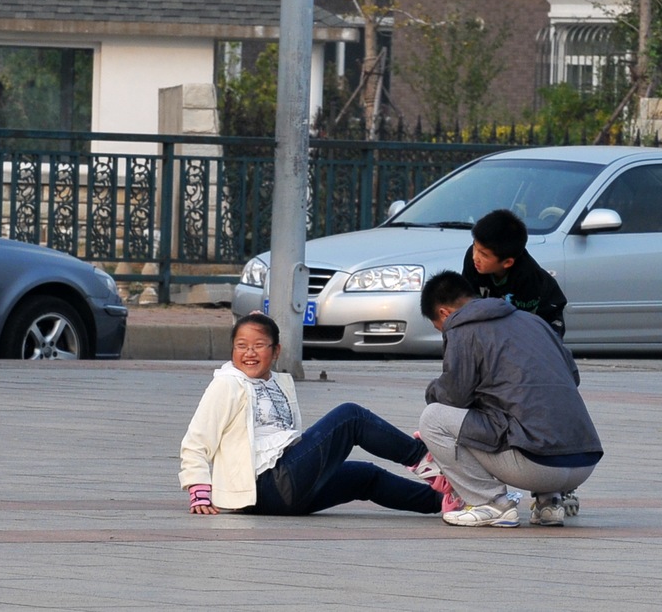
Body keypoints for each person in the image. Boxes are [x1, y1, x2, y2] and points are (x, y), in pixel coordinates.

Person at [178, 313, 456, 516]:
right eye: (241, 346)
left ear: (276, 351)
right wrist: (198, 489)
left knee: (366, 476)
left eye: (258, 345)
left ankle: (448, 501)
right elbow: (197, 440)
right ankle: (424, 459)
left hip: (291, 493)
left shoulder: (279, 382)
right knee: (351, 417)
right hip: (266, 486)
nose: (249, 353)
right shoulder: (227, 383)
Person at [417, 271, 603, 528]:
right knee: (526, 405)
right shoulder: (535, 323)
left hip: (535, 465)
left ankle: (490, 503)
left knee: (433, 418)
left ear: (444, 314)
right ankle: (549, 504)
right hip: (584, 462)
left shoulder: (462, 327)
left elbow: (454, 396)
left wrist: (432, 391)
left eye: (440, 329)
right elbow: (572, 376)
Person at [461, 208, 568, 337]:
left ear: (507, 263)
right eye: (474, 247)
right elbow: (466, 303)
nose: (475, 257)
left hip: (541, 318)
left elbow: (524, 324)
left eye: (484, 254)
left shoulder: (528, 276)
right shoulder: (472, 261)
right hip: (497, 314)